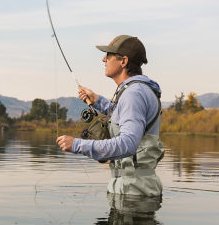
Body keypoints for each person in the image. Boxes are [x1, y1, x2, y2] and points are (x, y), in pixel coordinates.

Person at [56, 35, 164, 197]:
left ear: (123, 61)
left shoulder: (133, 94)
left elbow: (128, 144)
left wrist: (77, 145)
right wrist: (97, 100)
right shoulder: (137, 90)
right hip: (135, 188)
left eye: (108, 55)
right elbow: (122, 116)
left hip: (134, 192)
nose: (103, 59)